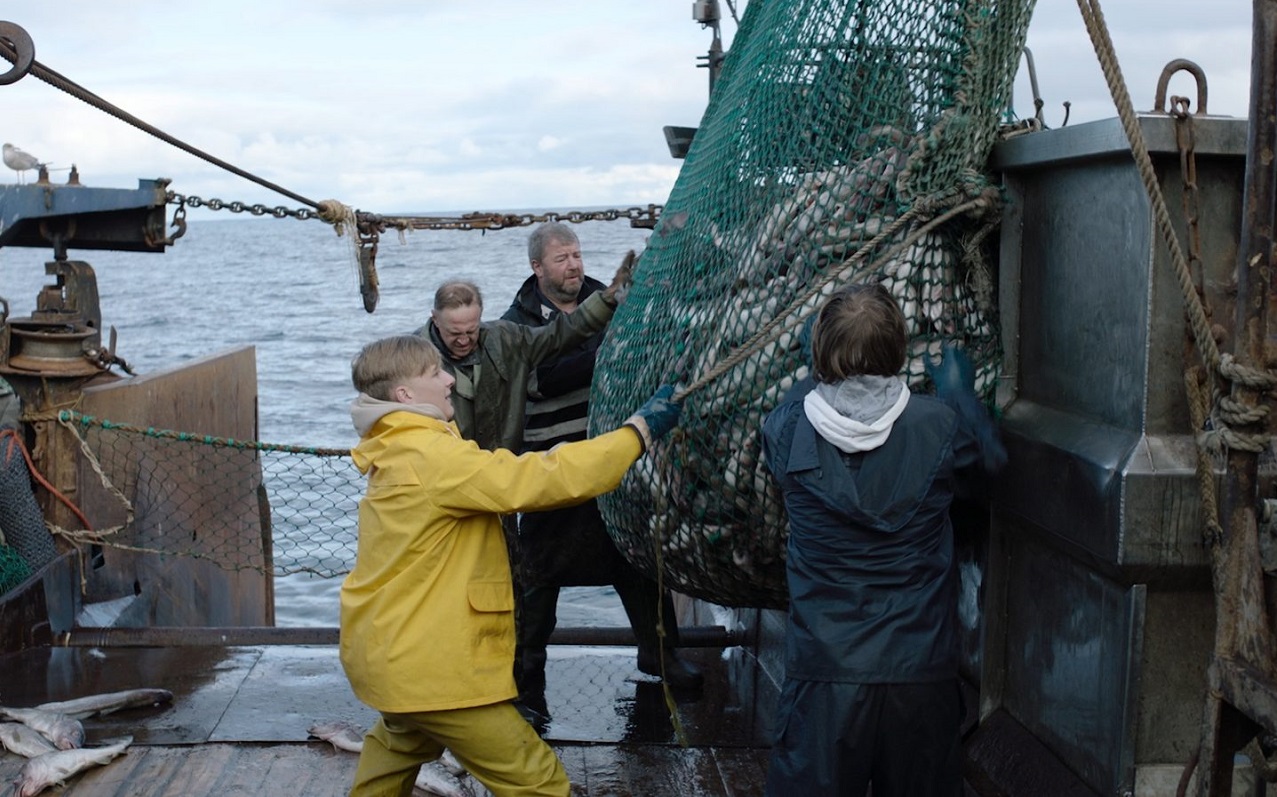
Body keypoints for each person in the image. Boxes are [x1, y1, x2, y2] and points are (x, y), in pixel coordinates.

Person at [340, 333, 681, 797]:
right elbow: (539, 478)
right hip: (434, 670)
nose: (447, 380)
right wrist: (635, 435)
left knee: (397, 747)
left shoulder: (395, 448)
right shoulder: (430, 456)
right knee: (536, 781)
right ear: (404, 395)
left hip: (391, 658)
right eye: (434, 373)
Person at [760, 283, 1006, 797]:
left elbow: (799, 403)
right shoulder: (941, 425)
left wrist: (819, 365)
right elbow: (991, 465)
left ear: (821, 352)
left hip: (825, 676)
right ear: (899, 350)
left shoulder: (785, 428)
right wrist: (959, 392)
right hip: (919, 672)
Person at [502, 221, 703, 700]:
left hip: (615, 461)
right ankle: (526, 669)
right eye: (561, 259)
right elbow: (545, 378)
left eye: (576, 255)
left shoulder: (608, 297)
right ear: (537, 268)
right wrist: (611, 352)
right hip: (554, 465)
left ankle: (660, 651)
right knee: (538, 576)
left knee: (634, 558)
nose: (573, 266)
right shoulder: (519, 322)